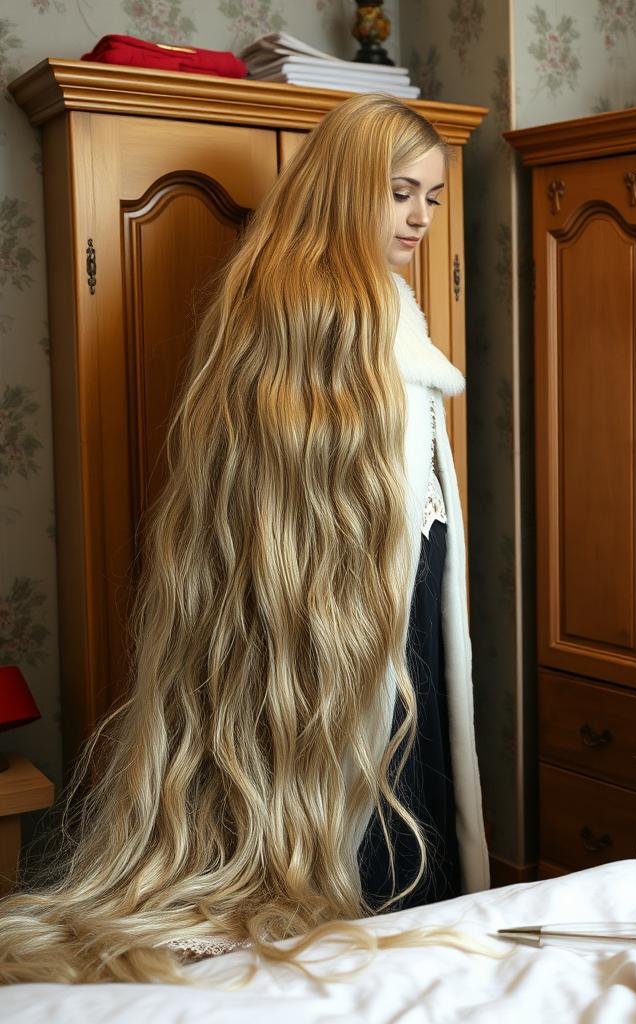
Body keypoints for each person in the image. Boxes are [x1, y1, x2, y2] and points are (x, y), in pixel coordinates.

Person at [0, 93, 487, 984]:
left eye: (432, 197)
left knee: (410, 772)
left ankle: (409, 945)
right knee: (364, 786)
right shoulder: (299, 301)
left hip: (407, 572)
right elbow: (270, 474)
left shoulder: (391, 301)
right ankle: (373, 946)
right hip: (332, 590)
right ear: (347, 189)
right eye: (400, 193)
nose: (420, 217)